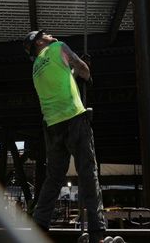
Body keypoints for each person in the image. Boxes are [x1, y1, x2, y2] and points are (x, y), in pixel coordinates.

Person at [24, 30, 111, 242]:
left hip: (52, 126)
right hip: (74, 119)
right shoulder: (58, 47)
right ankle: (97, 230)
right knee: (88, 172)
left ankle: (40, 223)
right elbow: (81, 68)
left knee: (54, 177)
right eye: (45, 34)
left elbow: (61, 80)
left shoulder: (36, 68)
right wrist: (87, 74)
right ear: (39, 42)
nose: (50, 34)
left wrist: (72, 72)